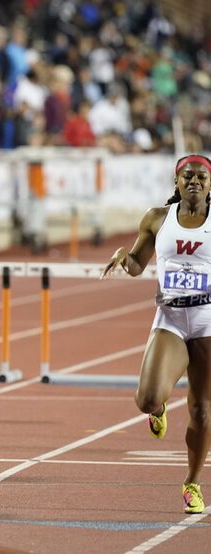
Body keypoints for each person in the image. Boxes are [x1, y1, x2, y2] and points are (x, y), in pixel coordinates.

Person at [101, 154, 211, 515]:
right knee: (146, 399)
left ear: (210, 185)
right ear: (176, 182)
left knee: (201, 410)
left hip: (208, 322)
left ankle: (192, 483)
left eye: (201, 176)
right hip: (171, 317)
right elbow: (137, 265)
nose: (194, 180)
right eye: (187, 175)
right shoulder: (157, 219)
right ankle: (159, 406)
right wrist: (124, 257)